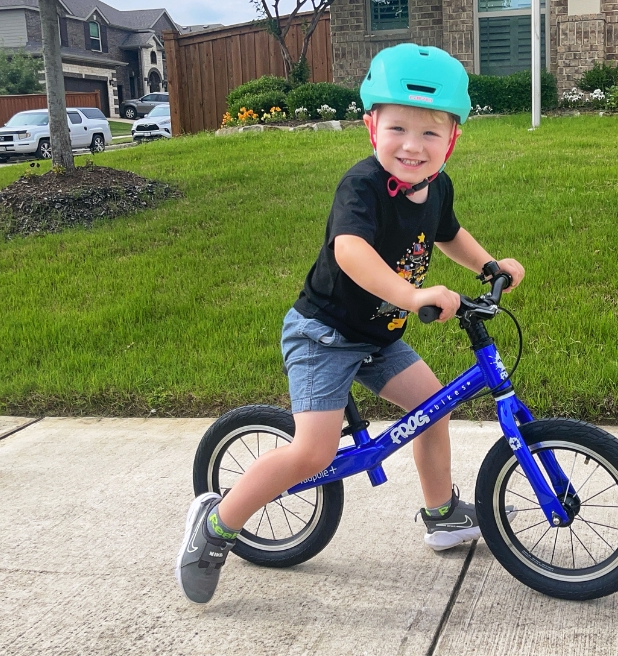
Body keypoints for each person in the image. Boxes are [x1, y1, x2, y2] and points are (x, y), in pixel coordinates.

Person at [176, 43, 525, 604]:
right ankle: (217, 527)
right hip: (324, 336)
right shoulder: (361, 186)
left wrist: (488, 265)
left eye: (430, 134)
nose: (413, 146)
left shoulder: (437, 186)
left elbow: (448, 233)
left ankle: (441, 515)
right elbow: (351, 253)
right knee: (314, 453)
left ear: (452, 140)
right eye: (398, 128)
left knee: (434, 407)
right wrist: (413, 296)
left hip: (378, 336)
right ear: (372, 127)